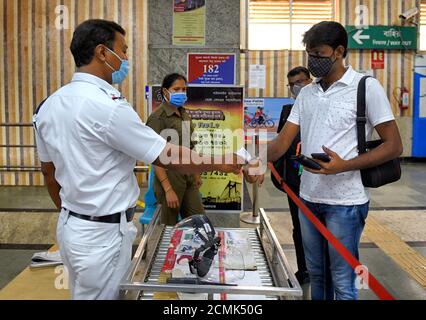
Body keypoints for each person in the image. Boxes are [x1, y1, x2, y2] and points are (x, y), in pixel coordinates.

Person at [32, 19, 252, 300]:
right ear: (102, 52)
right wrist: (219, 161)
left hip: (72, 226)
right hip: (103, 235)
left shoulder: (49, 105)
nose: (125, 58)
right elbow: (166, 155)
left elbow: (49, 173)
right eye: (122, 51)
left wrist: (75, 217)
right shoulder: (108, 107)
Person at [267, 21, 403, 300]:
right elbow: (282, 142)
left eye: (318, 54)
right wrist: (248, 159)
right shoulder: (307, 93)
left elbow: (394, 145)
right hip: (308, 199)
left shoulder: (366, 87)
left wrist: (345, 165)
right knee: (317, 275)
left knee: (342, 280)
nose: (312, 61)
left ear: (339, 51)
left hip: (346, 204)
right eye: (309, 54)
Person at [271, 66, 312, 285]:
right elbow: (280, 145)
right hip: (294, 182)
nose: (297, 87)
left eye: (301, 82)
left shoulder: (319, 106)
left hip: (318, 179)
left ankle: (321, 270)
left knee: (319, 227)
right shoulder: (288, 111)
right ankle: (304, 270)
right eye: (292, 84)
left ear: (310, 80)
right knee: (299, 226)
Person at [146, 73, 205, 225]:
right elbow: (155, 156)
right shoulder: (157, 118)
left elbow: (191, 147)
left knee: (198, 222)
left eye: (183, 89)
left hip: (189, 177)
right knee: (168, 228)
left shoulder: (184, 114)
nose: (181, 93)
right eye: (176, 89)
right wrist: (168, 190)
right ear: (165, 92)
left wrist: (197, 173)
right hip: (170, 179)